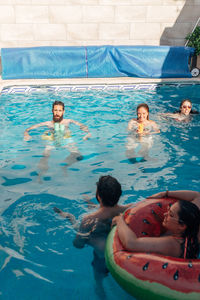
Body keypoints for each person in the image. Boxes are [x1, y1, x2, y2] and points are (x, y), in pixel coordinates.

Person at [54, 175, 131, 296]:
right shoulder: (128, 209)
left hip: (102, 259)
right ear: (119, 194)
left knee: (99, 283)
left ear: (98, 196)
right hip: (124, 255)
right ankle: (89, 205)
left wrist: (90, 240)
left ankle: (69, 217)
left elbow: (78, 244)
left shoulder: (88, 219)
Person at [112, 199, 200, 259]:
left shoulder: (171, 244)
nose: (165, 214)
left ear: (182, 226)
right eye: (168, 210)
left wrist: (119, 220)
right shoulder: (194, 232)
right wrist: (166, 193)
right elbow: (197, 196)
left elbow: (131, 243)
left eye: (171, 215)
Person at [24, 100, 91, 175]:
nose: (57, 113)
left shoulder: (68, 121)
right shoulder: (48, 123)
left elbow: (82, 125)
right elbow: (28, 129)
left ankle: (64, 166)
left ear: (63, 111)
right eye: (55, 110)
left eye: (60, 110)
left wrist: (87, 133)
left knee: (78, 156)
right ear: (52, 111)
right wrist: (26, 134)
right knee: (45, 156)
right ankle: (41, 174)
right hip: (52, 139)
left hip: (66, 139)